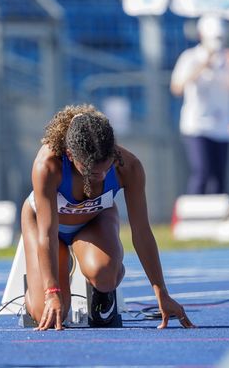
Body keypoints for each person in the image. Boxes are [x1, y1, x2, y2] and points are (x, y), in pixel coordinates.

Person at [21, 104, 194, 331]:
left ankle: (101, 277)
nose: (101, 177)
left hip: (93, 222)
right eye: (92, 172)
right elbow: (47, 234)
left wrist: (161, 291)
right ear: (71, 156)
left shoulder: (129, 167)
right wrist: (52, 292)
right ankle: (43, 283)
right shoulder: (48, 165)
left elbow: (142, 233)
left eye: (107, 167)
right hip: (45, 225)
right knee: (50, 312)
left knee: (104, 275)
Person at [171, 14, 229, 195]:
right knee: (202, 172)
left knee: (219, 177)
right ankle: (195, 217)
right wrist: (202, 66)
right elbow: (177, 87)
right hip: (196, 125)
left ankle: (218, 219)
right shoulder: (190, 57)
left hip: (222, 126)